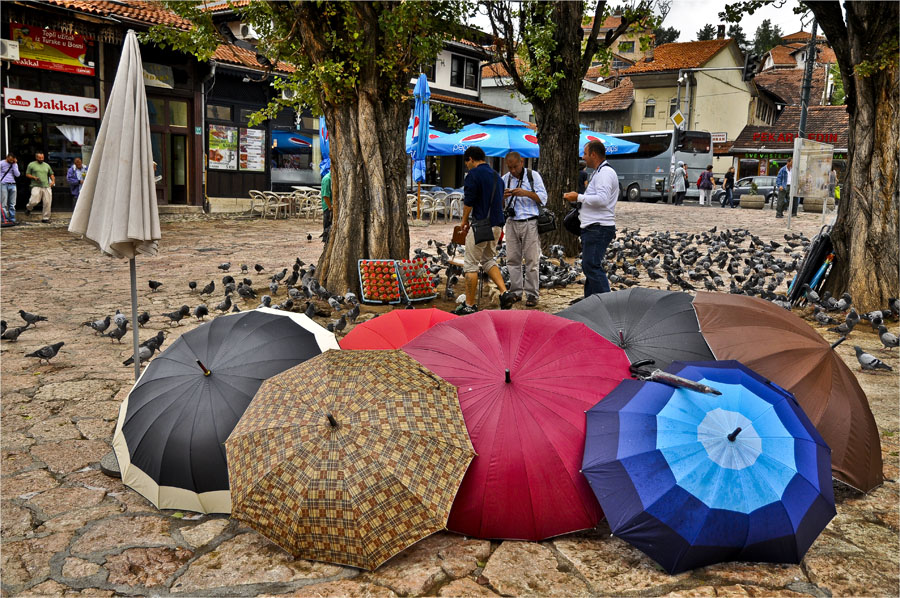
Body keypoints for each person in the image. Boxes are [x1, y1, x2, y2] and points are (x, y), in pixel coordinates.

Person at [455, 146, 515, 315]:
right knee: (489, 259)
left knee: (471, 265)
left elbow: (469, 202)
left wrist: (464, 222)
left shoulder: (473, 175)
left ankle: (470, 304)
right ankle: (505, 293)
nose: (467, 166)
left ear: (471, 159)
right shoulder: (498, 177)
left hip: (481, 225)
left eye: (467, 163)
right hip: (497, 226)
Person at [563, 140, 618, 296]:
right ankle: (591, 303)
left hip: (598, 227)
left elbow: (602, 199)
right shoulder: (600, 172)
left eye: (585, 153)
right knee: (590, 267)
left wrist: (579, 197)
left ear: (593, 154)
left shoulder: (605, 173)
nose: (583, 157)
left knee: (591, 266)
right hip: (593, 226)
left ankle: (607, 304)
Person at [502, 151, 548, 307]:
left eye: (515, 166)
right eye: (510, 167)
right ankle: (515, 291)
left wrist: (526, 193)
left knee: (531, 260)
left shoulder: (533, 176)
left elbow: (543, 198)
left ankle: (532, 294)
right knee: (512, 259)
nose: (513, 170)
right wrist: (503, 197)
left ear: (521, 162)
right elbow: (499, 204)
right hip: (511, 222)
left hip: (530, 222)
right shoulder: (505, 179)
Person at [25, 152, 55, 223]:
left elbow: (51, 174)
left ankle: (45, 218)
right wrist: (34, 177)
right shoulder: (31, 164)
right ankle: (29, 208)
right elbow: (27, 174)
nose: (41, 159)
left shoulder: (46, 165)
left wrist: (53, 181)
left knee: (47, 202)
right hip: (36, 185)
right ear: (36, 157)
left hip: (46, 186)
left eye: (42, 158)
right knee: (34, 200)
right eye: (40, 158)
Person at [1, 154, 20, 225]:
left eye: (13, 160)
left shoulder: (14, 164)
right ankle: (5, 220)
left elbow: (17, 175)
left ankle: (12, 219)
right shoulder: (1, 163)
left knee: (12, 204)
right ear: (7, 157)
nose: (11, 161)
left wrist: (14, 165)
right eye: (10, 160)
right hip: (3, 184)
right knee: (4, 204)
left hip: (12, 184)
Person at [320, 170, 332, 243]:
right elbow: (325, 195)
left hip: (332, 207)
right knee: (327, 228)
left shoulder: (332, 178)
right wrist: (330, 207)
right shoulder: (327, 179)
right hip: (328, 208)